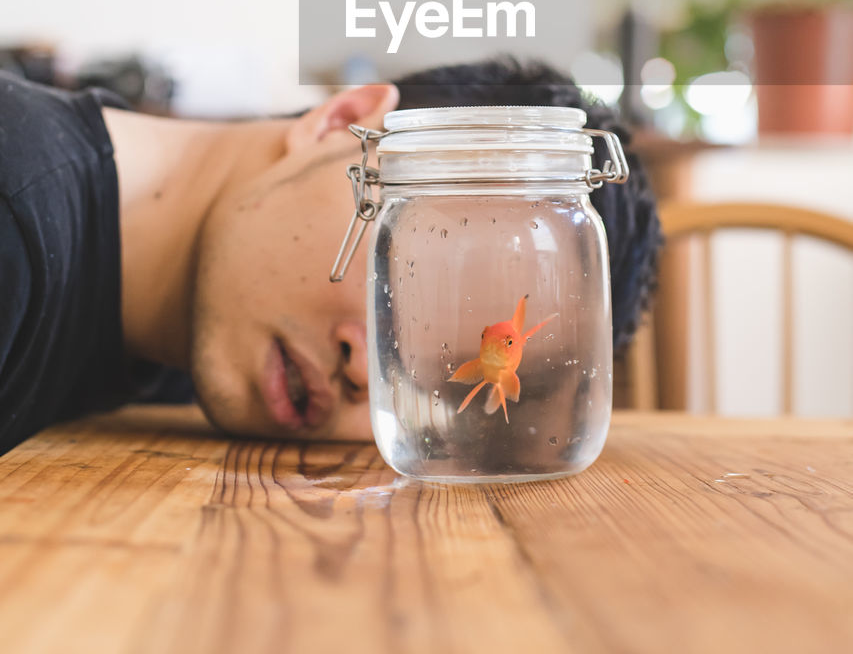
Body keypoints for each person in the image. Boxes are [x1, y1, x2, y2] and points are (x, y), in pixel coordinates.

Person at [0, 57, 661, 456]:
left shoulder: (200, 345)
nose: (367, 377)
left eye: (429, 382)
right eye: (407, 273)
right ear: (337, 122)